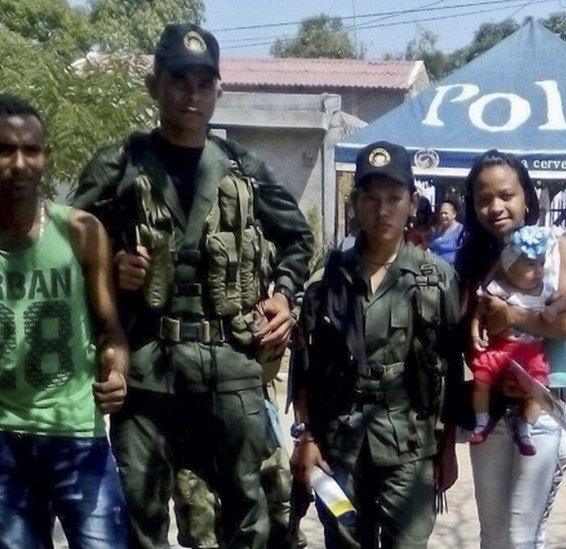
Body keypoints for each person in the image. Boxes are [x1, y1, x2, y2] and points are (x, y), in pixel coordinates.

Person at [72, 23, 313, 548]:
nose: (192, 94)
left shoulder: (241, 167)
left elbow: (298, 239)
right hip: (147, 372)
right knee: (141, 515)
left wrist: (284, 296)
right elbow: (67, 246)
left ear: (219, 91)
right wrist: (111, 263)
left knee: (252, 515)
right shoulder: (120, 165)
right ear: (154, 85)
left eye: (205, 82)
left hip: (230, 365)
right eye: (180, 79)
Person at [290, 140, 462, 548]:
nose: (382, 210)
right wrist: (306, 437)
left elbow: (451, 369)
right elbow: (304, 366)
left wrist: (448, 447)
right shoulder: (328, 276)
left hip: (411, 448)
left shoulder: (436, 279)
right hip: (340, 445)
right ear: (355, 203)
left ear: (412, 202)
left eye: (393, 198)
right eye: (370, 198)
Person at [0, 94, 130, 547]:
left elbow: (110, 329)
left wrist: (116, 373)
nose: (19, 164)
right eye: (5, 150)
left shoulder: (80, 231)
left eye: (30, 151)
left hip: (76, 436)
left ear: (46, 156)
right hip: (4, 441)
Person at [455, 149, 566, 549]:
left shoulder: (555, 246)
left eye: (506, 195)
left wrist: (513, 318)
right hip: (491, 411)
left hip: (543, 408)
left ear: (526, 197)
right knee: (494, 537)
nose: (495, 207)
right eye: (483, 199)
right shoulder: (474, 256)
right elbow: (467, 339)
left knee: (521, 539)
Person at [468, 225, 566, 455]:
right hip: (501, 348)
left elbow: (563, 300)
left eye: (542, 264)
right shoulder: (499, 289)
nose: (539, 271)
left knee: (537, 388)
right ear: (511, 267)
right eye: (531, 265)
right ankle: (481, 419)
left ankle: (526, 425)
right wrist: (476, 333)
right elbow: (479, 312)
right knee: (481, 378)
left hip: (531, 350)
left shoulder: (543, 290)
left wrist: (553, 310)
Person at [429, 199, 464, 265]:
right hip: (435, 266)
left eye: (446, 213)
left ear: (454, 215)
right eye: (441, 213)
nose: (443, 216)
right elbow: (431, 247)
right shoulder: (436, 230)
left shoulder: (460, 231)